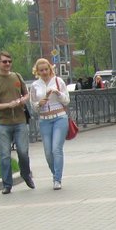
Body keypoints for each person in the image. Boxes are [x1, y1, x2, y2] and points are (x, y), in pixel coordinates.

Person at [0, 50, 34, 195]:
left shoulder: (17, 77)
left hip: (19, 120)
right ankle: (7, 184)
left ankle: (26, 174)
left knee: (23, 152)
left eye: (9, 61)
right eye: (4, 61)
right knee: (5, 154)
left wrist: (23, 100)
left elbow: (26, 94)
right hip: (2, 122)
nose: (7, 64)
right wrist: (7, 105)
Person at [28, 58, 70, 190]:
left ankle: (57, 179)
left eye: (46, 69)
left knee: (56, 148)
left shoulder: (58, 81)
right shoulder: (35, 85)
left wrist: (57, 93)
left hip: (59, 117)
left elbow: (67, 100)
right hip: (44, 119)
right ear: (37, 72)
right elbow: (33, 106)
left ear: (50, 69)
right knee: (48, 152)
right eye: (41, 70)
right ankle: (55, 173)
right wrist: (38, 104)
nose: (44, 72)